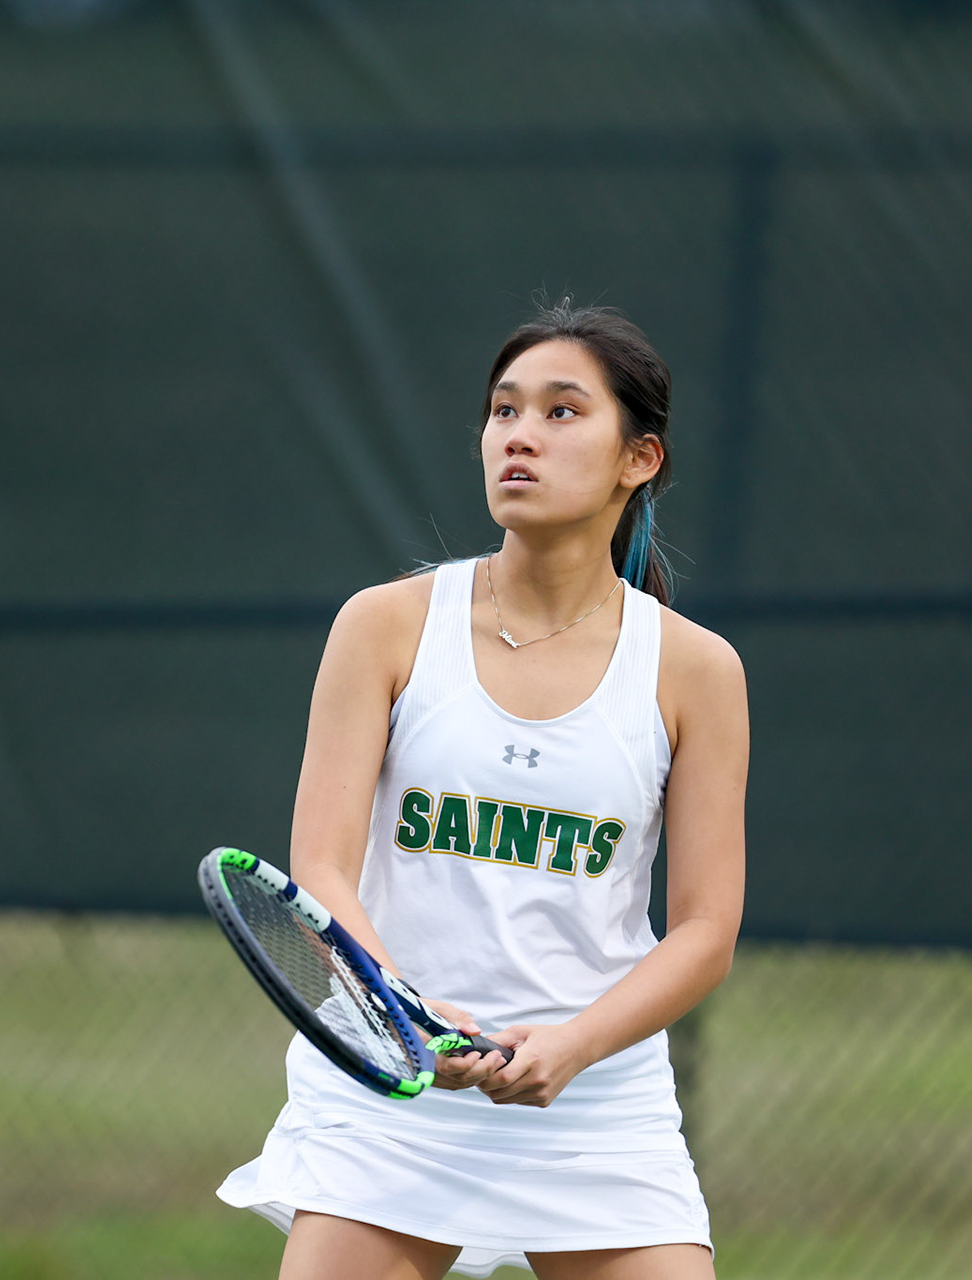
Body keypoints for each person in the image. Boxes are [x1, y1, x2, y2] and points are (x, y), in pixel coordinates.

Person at [217, 300, 749, 1280]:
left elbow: (706, 930)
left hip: (596, 1102)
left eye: (561, 412)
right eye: (504, 411)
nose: (520, 435)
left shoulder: (696, 669)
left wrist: (574, 1046)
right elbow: (322, 865)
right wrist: (407, 1017)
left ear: (640, 459)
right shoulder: (382, 625)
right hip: (393, 1094)